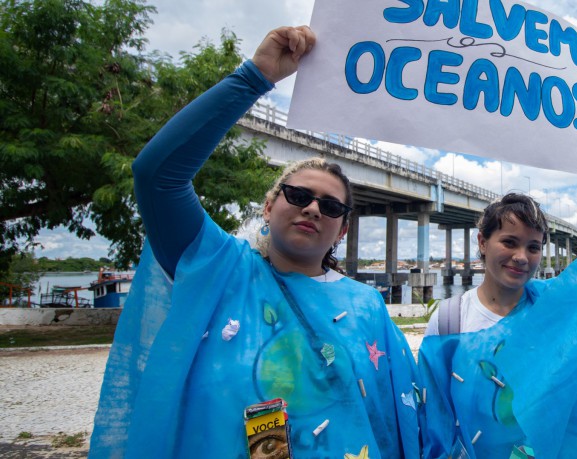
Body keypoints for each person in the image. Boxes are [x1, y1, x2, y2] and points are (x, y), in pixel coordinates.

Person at [89, 26, 420, 458]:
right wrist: (254, 77)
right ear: (268, 207)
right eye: (299, 196)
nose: (314, 209)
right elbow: (157, 175)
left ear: (342, 231)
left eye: (331, 207)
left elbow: (400, 416)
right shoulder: (218, 268)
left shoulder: (367, 305)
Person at [419, 127, 577, 458]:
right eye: (509, 242)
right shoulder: (448, 323)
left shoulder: (557, 310)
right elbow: (433, 422)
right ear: (482, 242)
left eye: (533, 247)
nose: (521, 257)